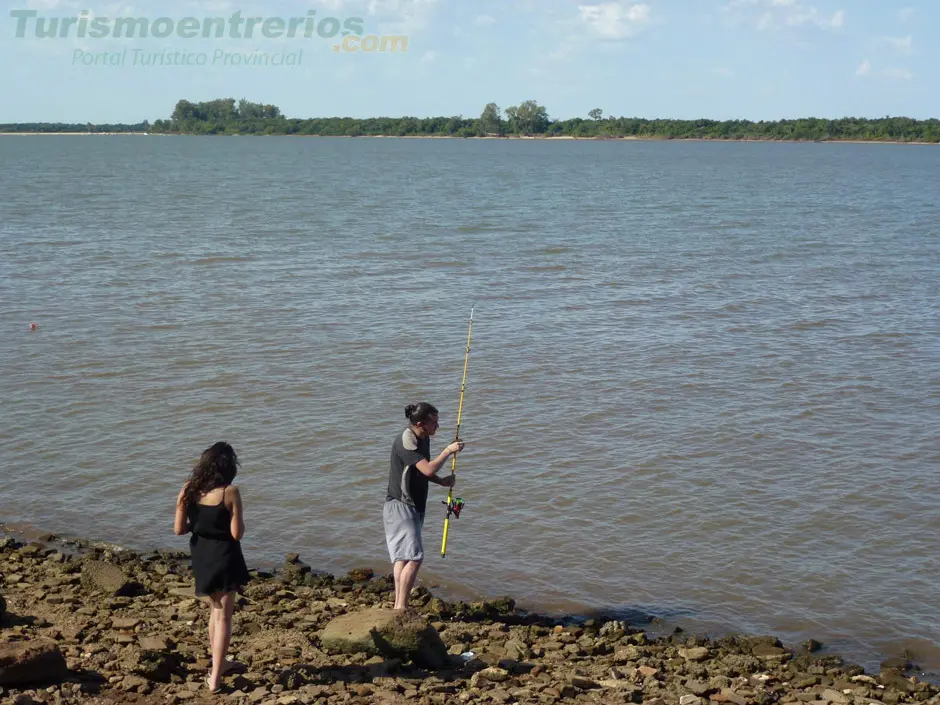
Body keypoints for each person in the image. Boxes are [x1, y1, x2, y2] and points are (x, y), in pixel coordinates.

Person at [174, 441, 251, 694]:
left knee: (214, 611)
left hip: (202, 555)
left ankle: (221, 663)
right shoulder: (230, 491)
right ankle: (215, 678)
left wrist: (199, 524)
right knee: (224, 617)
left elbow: (179, 529)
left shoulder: (188, 489)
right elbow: (237, 534)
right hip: (225, 556)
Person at [384, 402, 465, 610]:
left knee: (403, 557)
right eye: (434, 422)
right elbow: (427, 469)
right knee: (415, 557)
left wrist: (442, 482)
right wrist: (448, 451)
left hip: (412, 506)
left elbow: (420, 472)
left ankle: (398, 605)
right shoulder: (406, 441)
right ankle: (401, 608)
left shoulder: (424, 438)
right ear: (420, 424)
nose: (437, 426)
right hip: (401, 505)